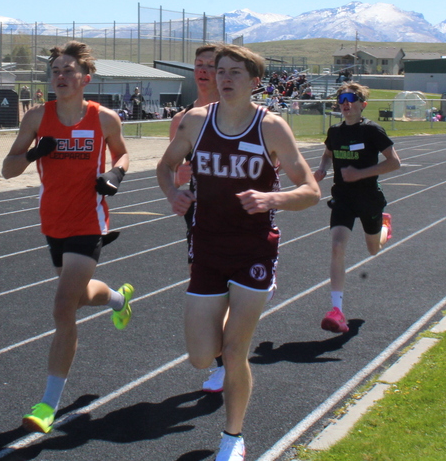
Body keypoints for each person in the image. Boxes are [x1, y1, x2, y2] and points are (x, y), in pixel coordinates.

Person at [157, 44, 320, 461]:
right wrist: (174, 191)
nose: (224, 78)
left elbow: (311, 191)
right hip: (207, 248)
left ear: (254, 83)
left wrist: (273, 200)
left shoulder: (271, 127)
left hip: (253, 251)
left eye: (234, 73)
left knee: (234, 353)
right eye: (219, 70)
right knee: (198, 357)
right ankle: (225, 324)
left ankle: (233, 438)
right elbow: (165, 165)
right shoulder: (195, 122)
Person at [2, 41, 133, 435]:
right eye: (55, 71)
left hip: (89, 221)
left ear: (85, 79)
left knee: (63, 308)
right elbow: (8, 170)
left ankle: (47, 404)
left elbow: (123, 155)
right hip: (52, 222)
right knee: (74, 294)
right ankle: (116, 298)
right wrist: (31, 155)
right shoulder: (37, 118)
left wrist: (115, 175)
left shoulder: (105, 119)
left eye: (68, 71)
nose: (60, 77)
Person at [312, 82, 401, 334]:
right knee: (337, 246)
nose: (345, 103)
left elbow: (394, 163)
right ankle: (337, 310)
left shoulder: (372, 131)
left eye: (351, 98)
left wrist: (360, 173)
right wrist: (322, 169)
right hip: (343, 198)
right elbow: (328, 154)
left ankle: (384, 226)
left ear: (363, 104)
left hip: (369, 198)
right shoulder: (335, 131)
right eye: (341, 99)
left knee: (373, 249)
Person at [168, 44, 224, 393]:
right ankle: (224, 361)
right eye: (198, 65)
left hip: (238, 212)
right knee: (206, 288)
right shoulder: (183, 120)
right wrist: (179, 184)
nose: (202, 71)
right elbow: (172, 173)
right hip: (199, 212)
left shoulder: (241, 112)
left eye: (210, 66)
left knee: (233, 289)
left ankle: (229, 355)